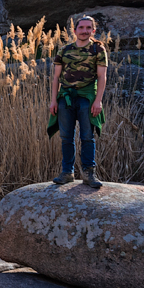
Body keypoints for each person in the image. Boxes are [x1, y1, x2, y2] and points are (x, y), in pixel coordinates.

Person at [48, 16, 107, 189]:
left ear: (93, 31)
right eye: (81, 27)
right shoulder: (64, 50)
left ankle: (89, 174)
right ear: (75, 31)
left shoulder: (98, 49)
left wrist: (98, 101)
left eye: (88, 28)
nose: (84, 31)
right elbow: (56, 77)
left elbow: (102, 76)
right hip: (66, 97)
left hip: (87, 97)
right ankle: (67, 172)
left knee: (87, 136)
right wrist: (53, 101)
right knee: (66, 137)